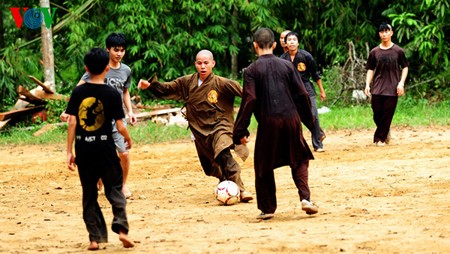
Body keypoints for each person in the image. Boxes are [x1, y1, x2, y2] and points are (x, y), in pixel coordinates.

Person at [138, 49, 253, 202]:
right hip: (199, 130)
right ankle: (225, 181)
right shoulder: (187, 82)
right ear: (195, 64)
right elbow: (167, 89)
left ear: (213, 64)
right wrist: (151, 86)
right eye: (199, 63)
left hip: (221, 126)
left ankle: (241, 189)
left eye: (206, 63)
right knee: (210, 165)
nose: (203, 66)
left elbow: (247, 94)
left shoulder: (222, 83)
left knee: (223, 153)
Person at [233, 27, 319, 220]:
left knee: (263, 164)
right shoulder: (287, 65)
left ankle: (267, 208)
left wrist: (240, 130)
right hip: (291, 120)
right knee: (299, 158)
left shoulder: (251, 70)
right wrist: (310, 123)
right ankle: (305, 198)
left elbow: (250, 100)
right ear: (274, 45)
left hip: (268, 122)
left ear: (255, 46)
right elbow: (302, 94)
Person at [66, 48, 135, 250]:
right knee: (115, 190)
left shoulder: (78, 92)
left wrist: (69, 151)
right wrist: (127, 139)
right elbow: (120, 125)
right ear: (107, 67)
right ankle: (122, 230)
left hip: (85, 151)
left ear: (86, 68)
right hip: (106, 151)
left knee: (89, 195)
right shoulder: (112, 93)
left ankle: (94, 239)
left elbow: (72, 121)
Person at [61, 33, 137, 198]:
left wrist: (130, 111)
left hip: (117, 118)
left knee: (123, 153)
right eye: (116, 50)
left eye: (122, 50)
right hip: (98, 120)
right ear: (107, 49)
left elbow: (125, 91)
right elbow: (78, 88)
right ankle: (100, 179)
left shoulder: (126, 70)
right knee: (100, 153)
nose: (119, 54)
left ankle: (123, 184)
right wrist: (68, 110)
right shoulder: (98, 67)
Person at [280, 31, 327, 152]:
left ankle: (317, 144)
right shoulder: (282, 59)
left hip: (307, 89)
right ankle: (297, 144)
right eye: (289, 40)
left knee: (313, 115)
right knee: (294, 118)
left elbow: (315, 75)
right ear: (285, 43)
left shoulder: (306, 56)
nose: (291, 42)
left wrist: (322, 91)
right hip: (290, 92)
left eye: (294, 40)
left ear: (298, 42)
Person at [365, 22, 409, 146]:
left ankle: (380, 139)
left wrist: (401, 83)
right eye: (382, 32)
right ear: (379, 34)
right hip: (377, 88)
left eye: (386, 31)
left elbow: (405, 67)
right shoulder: (374, 52)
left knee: (387, 114)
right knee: (377, 114)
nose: (384, 34)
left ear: (391, 33)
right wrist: (367, 84)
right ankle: (385, 130)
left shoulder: (398, 51)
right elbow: (370, 69)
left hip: (392, 88)